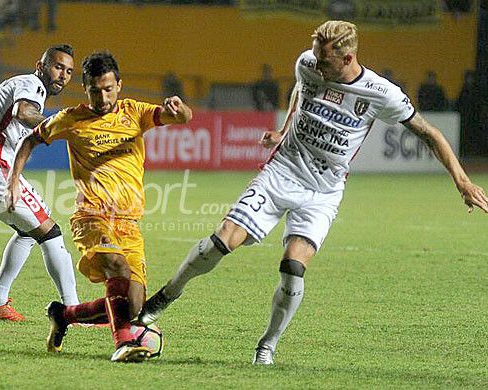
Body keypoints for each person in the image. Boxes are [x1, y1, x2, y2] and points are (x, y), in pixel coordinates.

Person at [138, 20, 488, 365]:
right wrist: (283, 129)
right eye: (316, 57)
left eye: (325, 60)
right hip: (281, 172)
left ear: (348, 58)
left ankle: (267, 346)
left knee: (293, 267)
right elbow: (300, 90)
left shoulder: (382, 94)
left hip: (323, 192)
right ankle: (166, 296)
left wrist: (462, 181)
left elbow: (429, 133)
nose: (316, 64)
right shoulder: (308, 64)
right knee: (223, 240)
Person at [5, 51, 192, 362]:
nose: (102, 97)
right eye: (95, 90)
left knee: (131, 307)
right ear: (85, 87)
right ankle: (123, 343)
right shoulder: (71, 119)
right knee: (116, 267)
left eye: (108, 89)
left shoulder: (136, 113)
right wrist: (13, 180)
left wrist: (180, 108)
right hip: (92, 218)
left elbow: (182, 118)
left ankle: (63, 315)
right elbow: (30, 141)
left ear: (119, 85)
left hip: (129, 223)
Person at [0, 44, 79, 321]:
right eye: (57, 67)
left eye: (68, 71)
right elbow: (24, 113)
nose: (63, 75)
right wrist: (61, 126)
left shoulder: (7, 87)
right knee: (50, 232)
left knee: (28, 232)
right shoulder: (31, 84)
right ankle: (74, 310)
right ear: (40, 65)